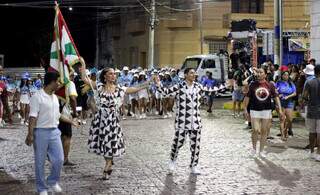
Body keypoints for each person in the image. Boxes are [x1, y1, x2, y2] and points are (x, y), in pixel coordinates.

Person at [80, 58, 151, 180]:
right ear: (105, 77)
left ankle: (108, 165)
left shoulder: (119, 89)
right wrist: (83, 64)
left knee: (110, 142)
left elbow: (135, 89)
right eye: (110, 74)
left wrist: (149, 82)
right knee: (104, 143)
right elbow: (84, 79)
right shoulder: (99, 87)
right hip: (100, 120)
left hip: (112, 120)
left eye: (114, 74)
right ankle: (109, 161)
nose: (113, 76)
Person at [25, 72, 79, 195]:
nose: (59, 84)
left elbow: (58, 115)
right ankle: (42, 188)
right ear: (52, 82)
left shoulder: (54, 97)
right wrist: (30, 134)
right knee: (40, 162)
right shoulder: (37, 97)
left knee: (59, 159)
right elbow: (32, 117)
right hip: (40, 132)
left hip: (55, 132)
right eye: (58, 82)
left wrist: (71, 121)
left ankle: (52, 181)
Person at [154, 68, 214, 175]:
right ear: (186, 75)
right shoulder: (179, 86)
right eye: (191, 73)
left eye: (194, 73)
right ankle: (172, 161)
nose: (194, 74)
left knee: (195, 145)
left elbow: (210, 90)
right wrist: (158, 84)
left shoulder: (198, 86)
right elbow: (165, 92)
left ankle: (194, 166)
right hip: (182, 121)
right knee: (178, 143)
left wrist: (226, 85)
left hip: (195, 121)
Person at [243, 67, 284, 158]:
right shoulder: (253, 85)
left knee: (264, 131)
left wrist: (280, 110)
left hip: (266, 110)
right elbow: (247, 97)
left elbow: (276, 97)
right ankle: (254, 149)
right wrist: (245, 109)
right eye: (257, 72)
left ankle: (261, 150)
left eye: (261, 72)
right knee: (255, 130)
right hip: (254, 110)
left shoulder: (270, 85)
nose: (258, 74)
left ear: (265, 74)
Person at [58, 72, 78, 166]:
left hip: (53, 113)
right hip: (65, 114)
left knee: (58, 136)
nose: (73, 77)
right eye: (72, 75)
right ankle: (65, 159)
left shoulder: (56, 82)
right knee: (67, 136)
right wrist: (75, 113)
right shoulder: (70, 83)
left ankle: (58, 157)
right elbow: (73, 99)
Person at [302, 65, 320, 161]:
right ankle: (319, 154)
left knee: (312, 132)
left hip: (311, 110)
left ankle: (312, 152)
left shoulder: (309, 82)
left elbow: (304, 97)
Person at [276, 71, 296, 140]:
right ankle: (282, 135)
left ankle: (285, 130)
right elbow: (275, 92)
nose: (286, 76)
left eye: (287, 75)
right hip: (281, 102)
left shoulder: (291, 83)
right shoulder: (279, 83)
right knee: (282, 119)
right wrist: (279, 94)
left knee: (290, 119)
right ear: (282, 76)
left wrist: (288, 96)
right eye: (284, 75)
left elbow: (294, 93)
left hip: (289, 102)